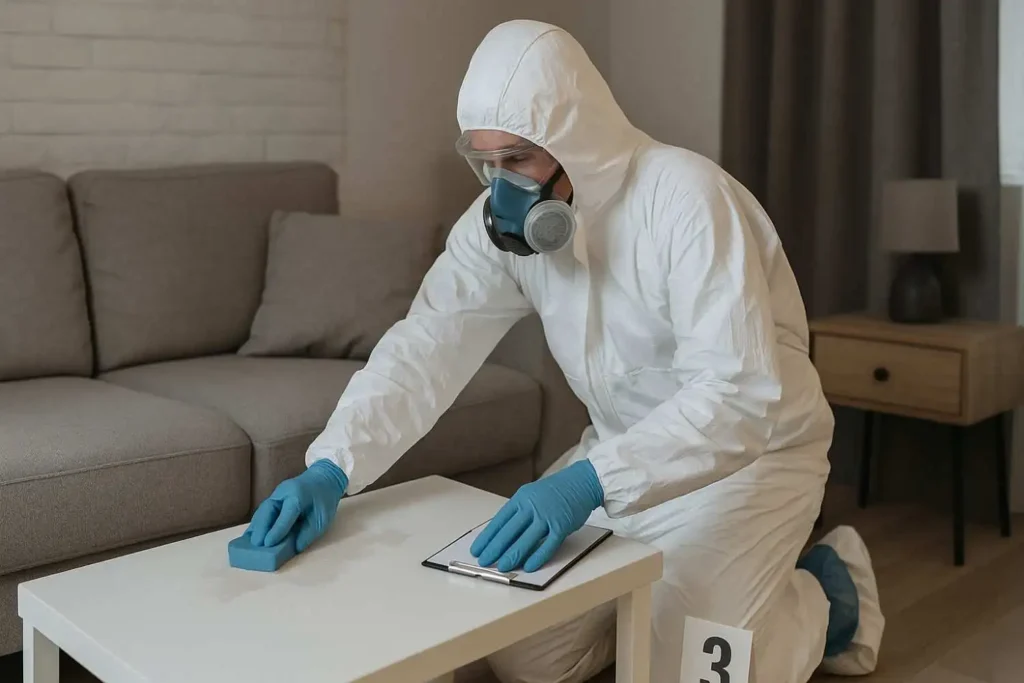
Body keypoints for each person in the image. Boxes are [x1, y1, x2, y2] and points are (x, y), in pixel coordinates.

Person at [243, 19, 884, 683]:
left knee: (687, 670)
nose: (501, 187)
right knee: (524, 650)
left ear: (578, 141)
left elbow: (739, 396)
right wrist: (333, 465)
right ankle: (648, 608)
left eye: (518, 158)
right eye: (488, 162)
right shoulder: (498, 228)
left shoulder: (687, 200)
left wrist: (585, 483)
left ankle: (829, 597)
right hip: (615, 455)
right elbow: (428, 343)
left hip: (752, 459)